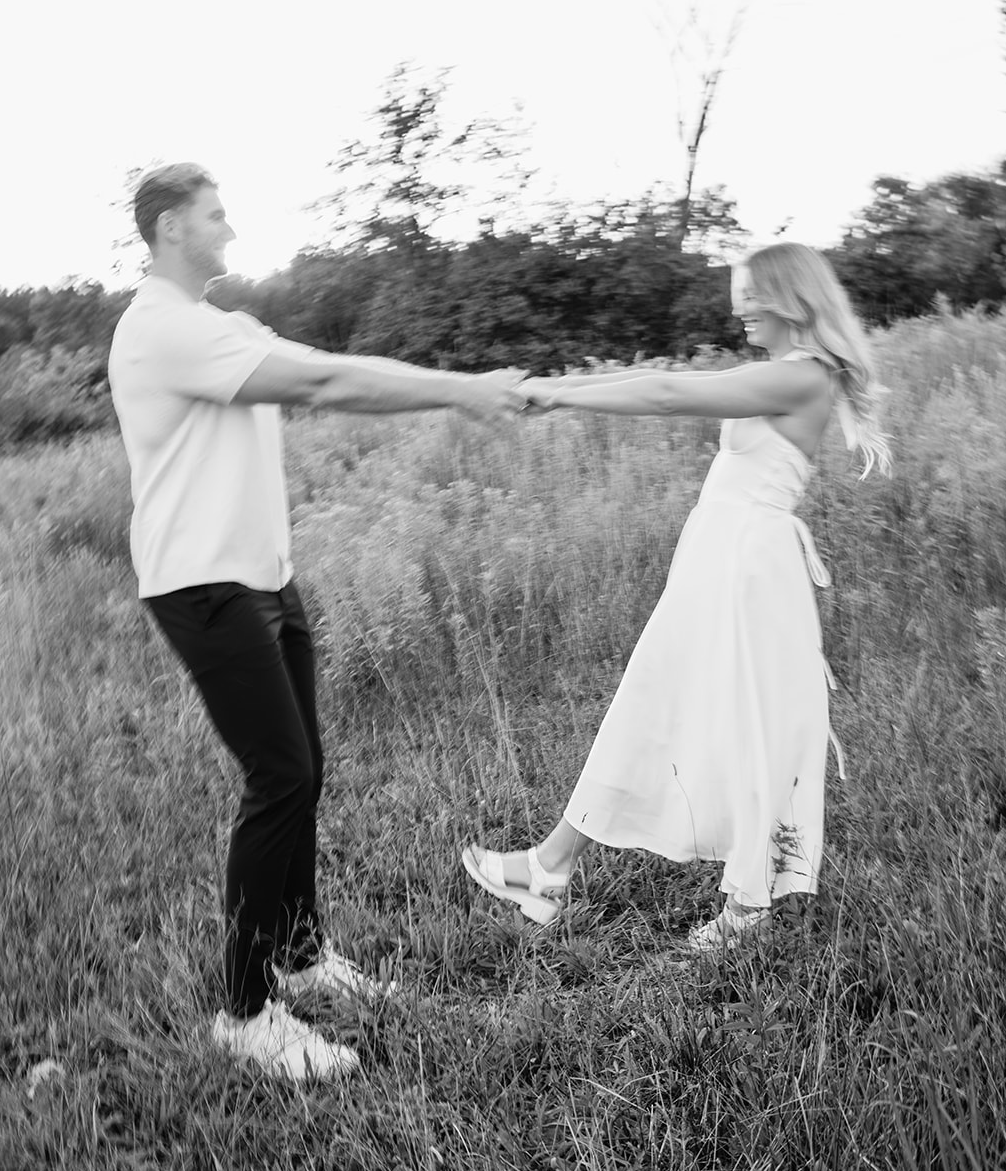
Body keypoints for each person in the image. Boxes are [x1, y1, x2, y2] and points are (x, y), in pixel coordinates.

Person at [108, 163, 522, 1084]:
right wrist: (462, 388)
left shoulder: (223, 326)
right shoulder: (164, 330)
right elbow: (331, 383)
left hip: (263, 576)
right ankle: (245, 1012)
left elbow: (337, 370)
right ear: (170, 227)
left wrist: (456, 384)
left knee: (306, 771)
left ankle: (300, 954)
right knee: (281, 776)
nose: (230, 228)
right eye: (215, 214)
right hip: (201, 582)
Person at [463, 242, 891, 948]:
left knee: (742, 723)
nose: (738, 307)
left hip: (746, 566)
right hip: (722, 558)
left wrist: (559, 394)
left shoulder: (801, 375)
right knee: (659, 701)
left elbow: (666, 394)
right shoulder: (789, 372)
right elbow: (667, 391)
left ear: (790, 297)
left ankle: (741, 907)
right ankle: (552, 864)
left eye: (751, 294)